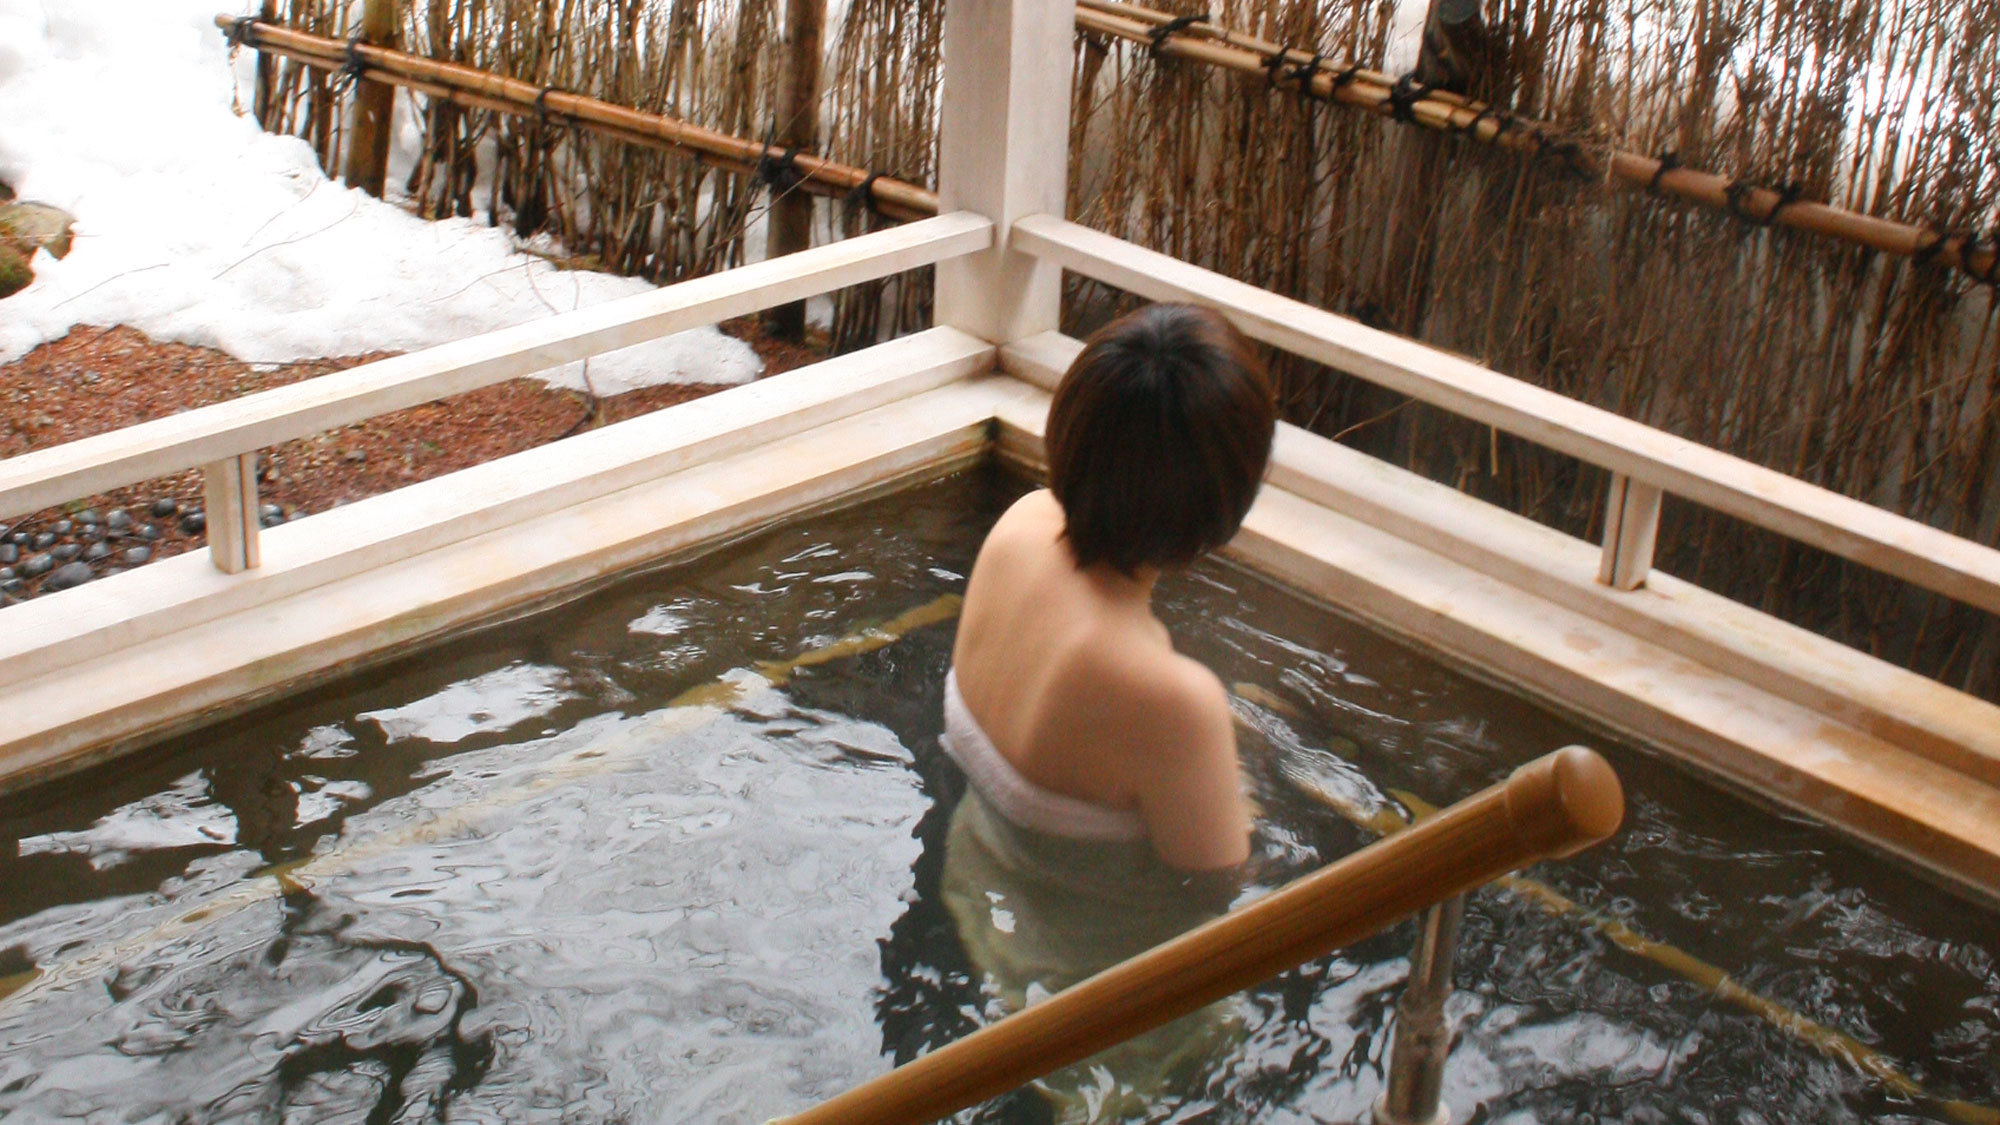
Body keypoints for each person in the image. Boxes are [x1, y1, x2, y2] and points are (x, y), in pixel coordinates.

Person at [937, 302, 1277, 1121]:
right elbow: (1217, 889)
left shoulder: (1020, 527)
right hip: (1103, 1023)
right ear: (1223, 506)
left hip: (974, 900)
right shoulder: (1173, 700)